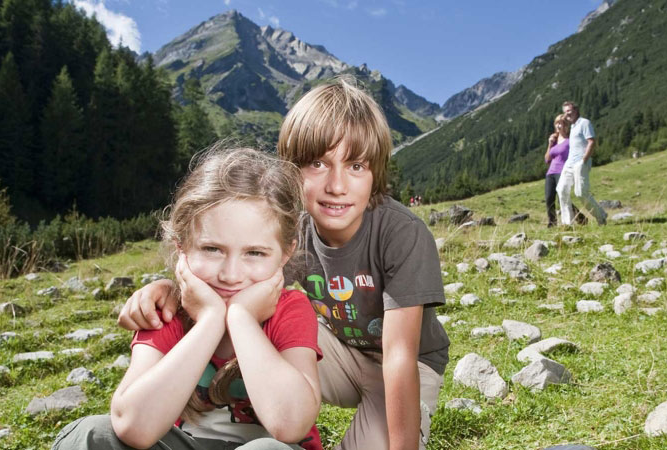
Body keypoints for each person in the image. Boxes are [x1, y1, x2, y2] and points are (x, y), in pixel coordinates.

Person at [118, 78, 450, 450]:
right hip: (337, 348)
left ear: (376, 173)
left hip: (402, 361)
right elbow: (236, 278)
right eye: (318, 163)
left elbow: (400, 356)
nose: (336, 185)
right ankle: (237, 426)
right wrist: (168, 291)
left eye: (356, 165)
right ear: (292, 170)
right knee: (267, 332)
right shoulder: (291, 229)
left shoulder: (401, 233)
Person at [53, 147, 323, 450]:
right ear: (182, 247)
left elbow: (290, 424)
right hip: (187, 444)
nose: (231, 275)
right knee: (93, 433)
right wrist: (209, 320)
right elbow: (133, 427)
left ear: (285, 253)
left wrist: (241, 318)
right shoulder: (167, 310)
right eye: (212, 249)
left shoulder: (290, 309)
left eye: (255, 253)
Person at [556, 101, 607, 226]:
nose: (567, 114)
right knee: (561, 189)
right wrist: (564, 118)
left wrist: (583, 161)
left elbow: (591, 142)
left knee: (580, 193)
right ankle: (567, 223)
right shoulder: (572, 126)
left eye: (569, 110)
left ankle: (601, 216)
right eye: (565, 112)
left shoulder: (585, 123)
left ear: (576, 110)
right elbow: (563, 121)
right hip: (569, 163)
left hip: (580, 162)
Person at [544, 114, 587, 228]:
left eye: (561, 123)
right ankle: (552, 223)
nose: (559, 126)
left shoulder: (570, 141)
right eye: (557, 123)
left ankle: (580, 218)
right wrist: (549, 143)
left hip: (563, 171)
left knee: (562, 197)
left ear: (566, 126)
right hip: (551, 172)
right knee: (549, 198)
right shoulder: (554, 140)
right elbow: (547, 159)